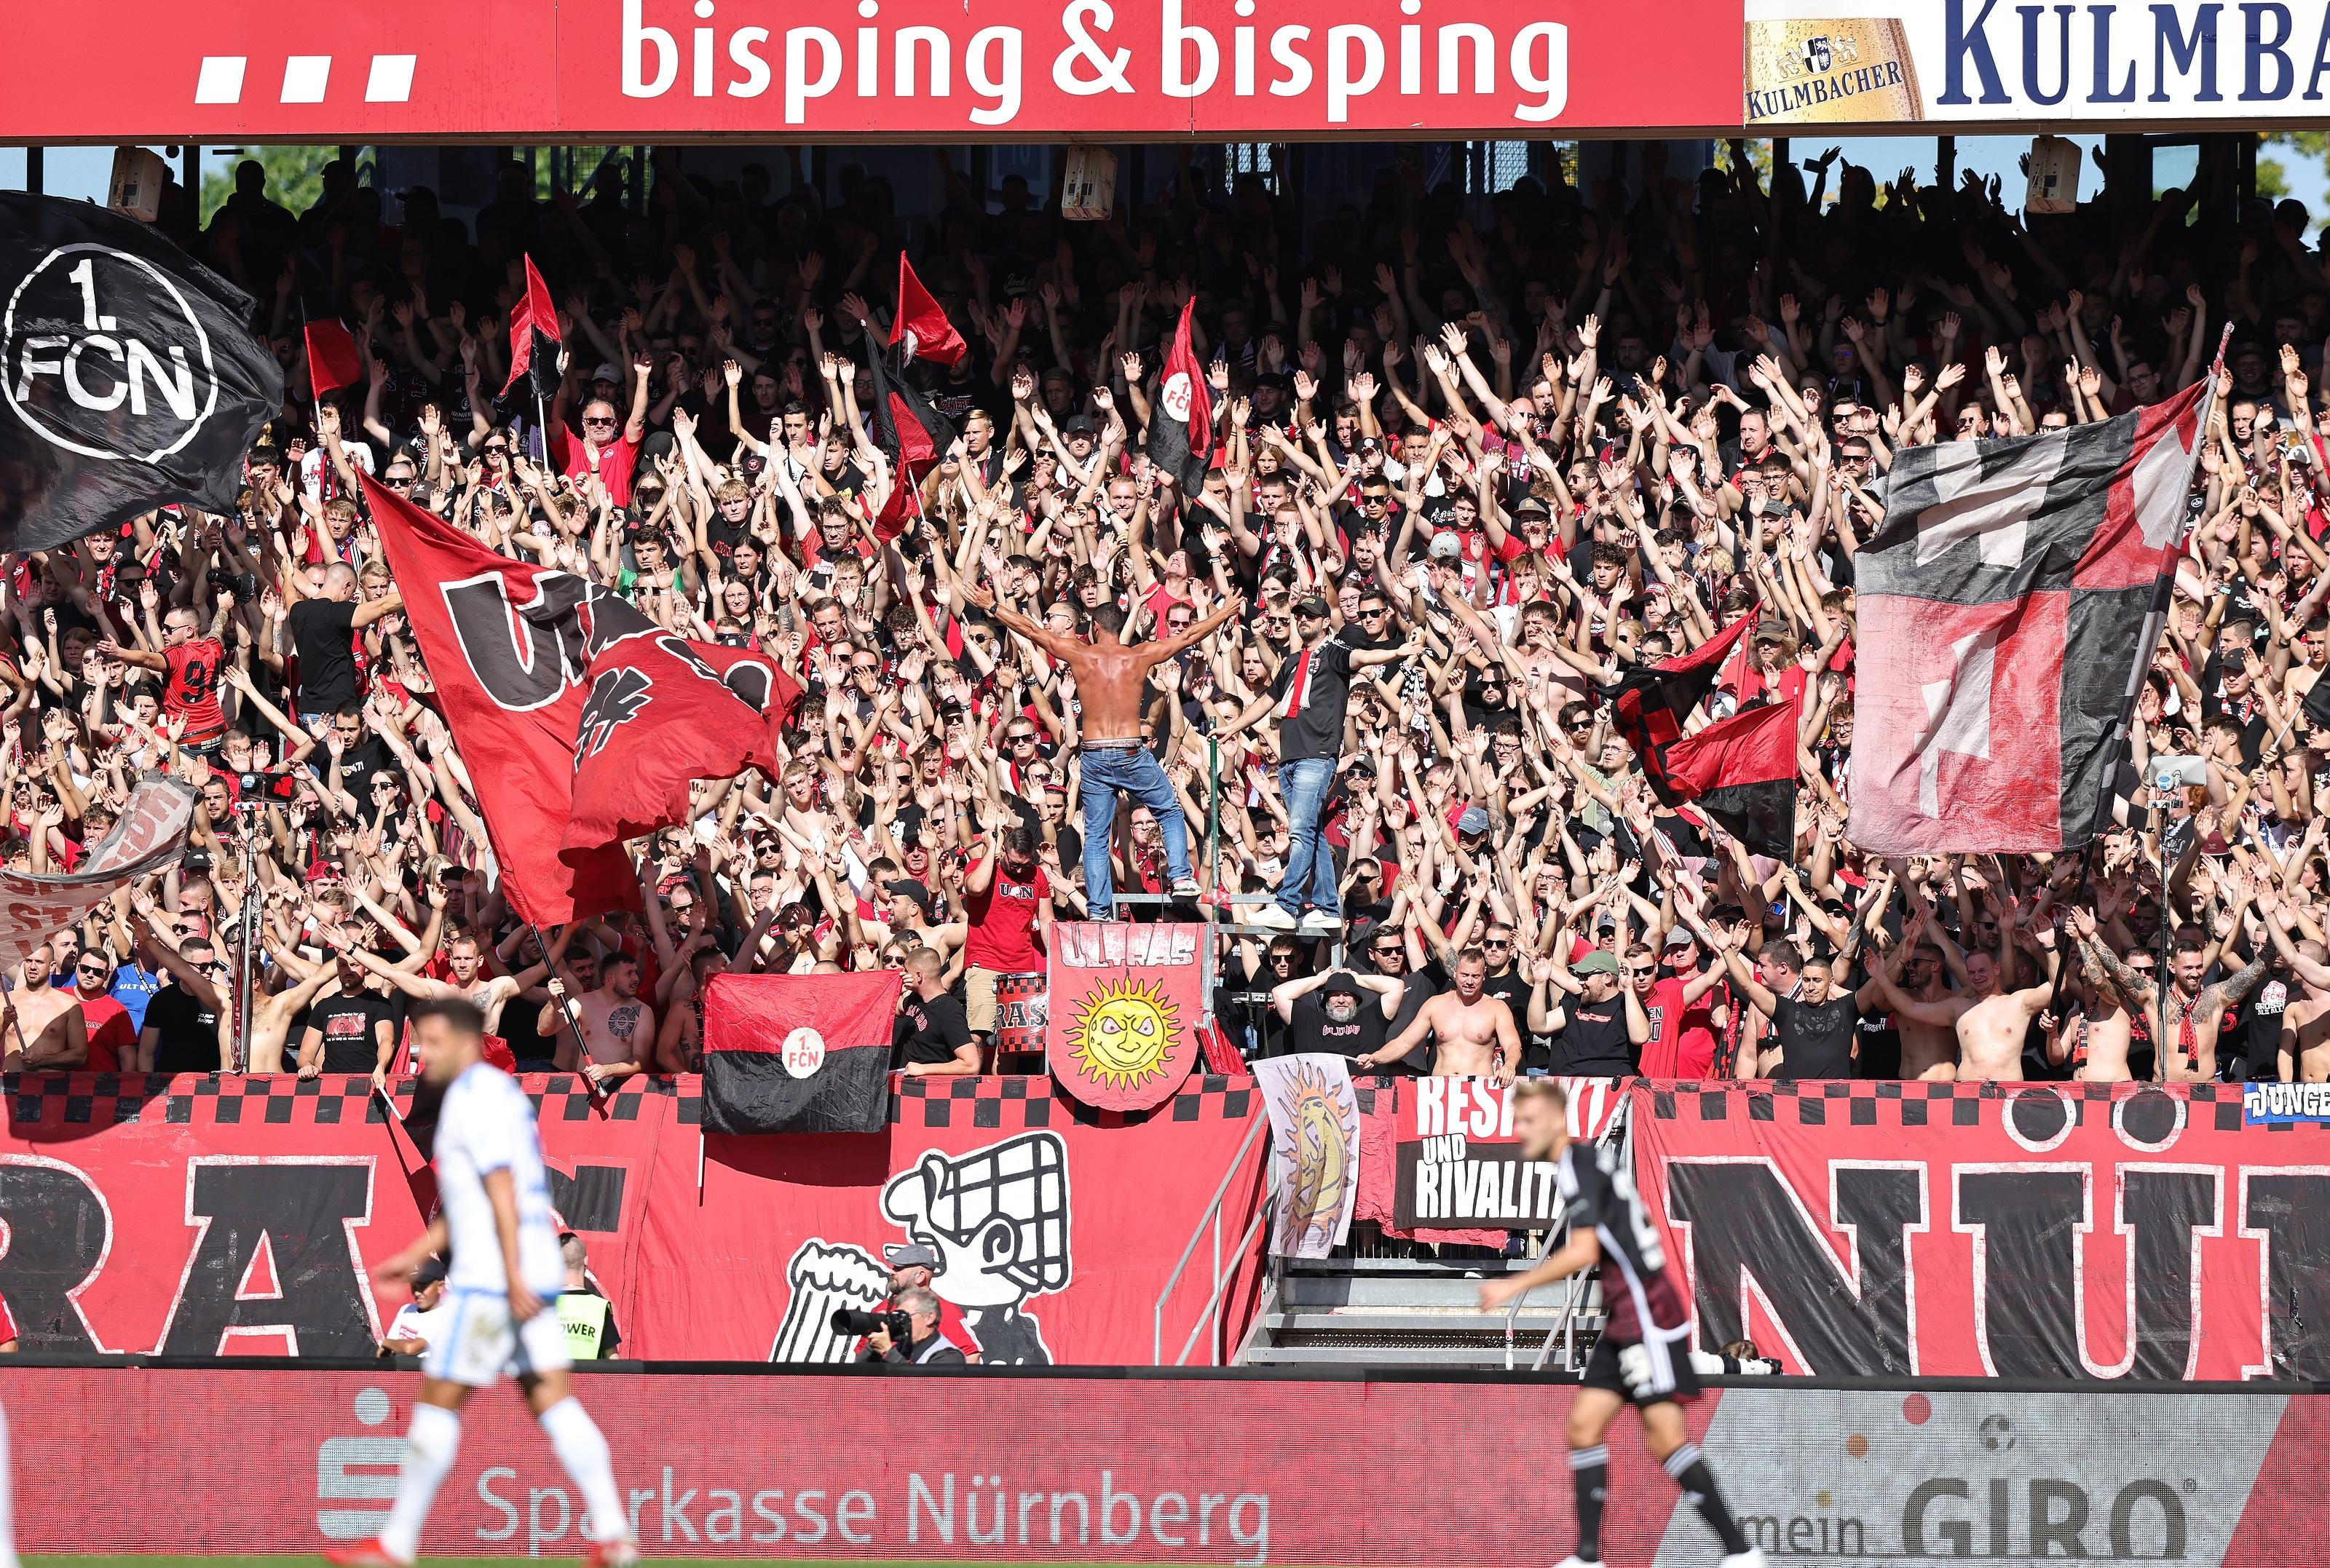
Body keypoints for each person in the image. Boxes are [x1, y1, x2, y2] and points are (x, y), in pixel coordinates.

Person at [328, 997, 639, 1567]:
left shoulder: (471, 1098)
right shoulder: (494, 1096)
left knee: (439, 1404)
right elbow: (475, 1197)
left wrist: (513, 1271)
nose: (423, 1055)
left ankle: (395, 1546)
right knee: (552, 1401)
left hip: (497, 1277)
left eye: (436, 1043)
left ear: (469, 1042)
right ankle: (614, 1533)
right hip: (521, 1267)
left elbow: (496, 1185)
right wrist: (416, 1253)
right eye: (420, 1045)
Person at [1480, 1080, 1765, 1568]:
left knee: (1667, 1439)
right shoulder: (1587, 1160)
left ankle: (1740, 1552)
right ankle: (1588, 1558)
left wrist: (1512, 1285)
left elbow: (1586, 1250)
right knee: (1584, 1426)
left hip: (1646, 1315)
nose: (1519, 1130)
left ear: (1554, 1121)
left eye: (1527, 1121)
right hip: (1626, 1315)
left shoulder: (1575, 1164)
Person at [965, 586, 1241, 915]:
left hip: (1094, 751)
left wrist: (994, 605)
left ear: (1094, 628)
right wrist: (1224, 612)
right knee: (1168, 810)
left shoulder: (1080, 654)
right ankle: (1181, 877)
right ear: (1117, 626)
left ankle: (1098, 909)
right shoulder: (1139, 655)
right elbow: (1187, 636)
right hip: (1129, 750)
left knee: (1096, 834)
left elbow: (1032, 631)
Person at [1224, 594, 1415, 933]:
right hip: (1289, 758)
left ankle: (1286, 903)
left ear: (1325, 622)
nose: (1303, 620)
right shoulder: (1292, 660)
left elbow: (1362, 656)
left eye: (1311, 616)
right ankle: (1327, 905)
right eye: (1299, 615)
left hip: (1317, 755)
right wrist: (1234, 727)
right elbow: (1267, 700)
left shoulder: (1334, 653)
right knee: (1309, 832)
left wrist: (1397, 653)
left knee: (1298, 830)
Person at [1354, 946, 1521, 1082]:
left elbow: (1513, 1045)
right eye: (1464, 975)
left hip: (1478, 1090)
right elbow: (1404, 1043)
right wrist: (1376, 1057)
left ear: (1483, 976)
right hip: (1440, 1090)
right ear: (1455, 972)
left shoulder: (1496, 1008)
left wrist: (1510, 1065)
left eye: (1475, 976)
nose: (1469, 981)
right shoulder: (1436, 1004)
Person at [895, 947, 979, 1077]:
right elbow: (895, 1009)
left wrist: (924, 1069)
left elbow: (971, 1064)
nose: (902, 974)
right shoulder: (915, 998)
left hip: (926, 1091)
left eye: (906, 970)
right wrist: (896, 991)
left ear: (918, 976)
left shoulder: (948, 1010)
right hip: (902, 1087)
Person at [556, 1232, 623, 1362]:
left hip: (551, 1383)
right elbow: (614, 1363)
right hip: (588, 1383)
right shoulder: (600, 1308)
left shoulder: (540, 1308)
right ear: (586, 1260)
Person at [869, 1285, 968, 1366]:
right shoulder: (902, 1347)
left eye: (905, 1316)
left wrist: (888, 1352)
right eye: (897, 1316)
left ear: (929, 1318)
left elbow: (922, 1388)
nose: (900, 1321)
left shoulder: (949, 1357)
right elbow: (862, 1375)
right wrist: (873, 1341)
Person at [380, 1257, 449, 1356]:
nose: (417, 1293)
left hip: (421, 1371)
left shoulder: (444, 1316)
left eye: (423, 1287)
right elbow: (390, 1345)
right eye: (414, 1287)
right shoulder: (407, 1309)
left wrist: (386, 1343)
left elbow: (410, 1348)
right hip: (399, 1370)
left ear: (440, 1287)